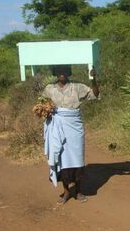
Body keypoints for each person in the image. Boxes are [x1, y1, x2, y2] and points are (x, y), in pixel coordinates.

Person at [42, 65, 100, 204]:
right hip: (56, 126)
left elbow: (95, 94)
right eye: (59, 71)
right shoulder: (49, 89)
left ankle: (79, 191)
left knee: (77, 159)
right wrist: (45, 110)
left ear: (68, 73)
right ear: (55, 73)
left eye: (64, 71)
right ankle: (67, 191)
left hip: (74, 127)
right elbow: (43, 105)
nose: (62, 73)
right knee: (62, 160)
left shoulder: (77, 87)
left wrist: (93, 78)